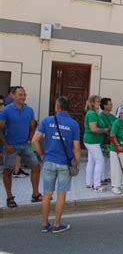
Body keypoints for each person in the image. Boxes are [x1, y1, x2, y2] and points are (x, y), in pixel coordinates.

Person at [32, 96, 80, 234]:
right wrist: (77, 163)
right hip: (65, 163)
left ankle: (44, 224)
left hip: (49, 161)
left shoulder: (47, 120)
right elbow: (76, 148)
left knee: (47, 194)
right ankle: (57, 224)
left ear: (57, 107)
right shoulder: (74, 124)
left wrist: (41, 155)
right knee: (61, 194)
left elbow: (34, 140)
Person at [0, 86, 42, 208]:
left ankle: (35, 194)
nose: (23, 97)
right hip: (11, 146)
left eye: (24, 94)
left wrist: (30, 137)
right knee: (8, 171)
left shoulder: (29, 110)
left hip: (25, 145)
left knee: (36, 166)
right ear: (13, 96)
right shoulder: (6, 111)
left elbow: (32, 124)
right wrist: (6, 145)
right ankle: (9, 197)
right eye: (20, 95)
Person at [84, 95, 110, 192]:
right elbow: (93, 129)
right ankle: (97, 184)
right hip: (92, 141)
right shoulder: (92, 114)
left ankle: (89, 183)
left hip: (92, 141)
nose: (99, 103)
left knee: (91, 161)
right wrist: (104, 130)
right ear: (92, 103)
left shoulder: (93, 113)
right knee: (100, 161)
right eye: (98, 102)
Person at [99, 98, 116, 184]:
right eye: (109, 104)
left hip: (111, 141)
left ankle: (107, 176)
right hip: (103, 141)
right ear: (104, 106)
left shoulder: (112, 116)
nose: (111, 105)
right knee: (102, 160)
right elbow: (104, 127)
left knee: (109, 160)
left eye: (111, 104)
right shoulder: (101, 116)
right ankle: (101, 178)